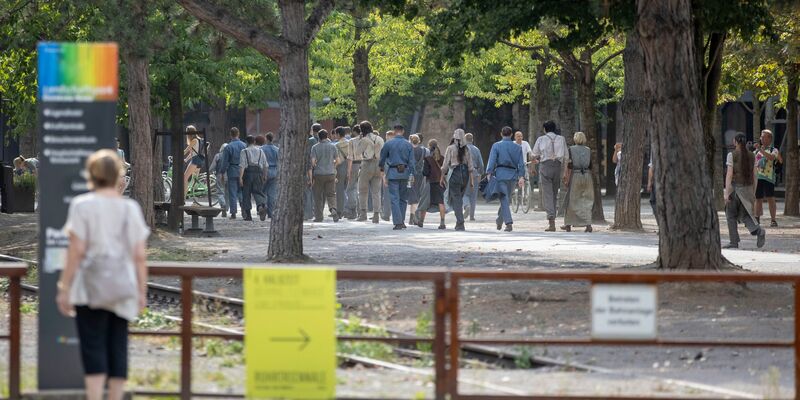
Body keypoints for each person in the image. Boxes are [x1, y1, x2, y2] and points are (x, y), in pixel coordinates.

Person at [56, 149, 150, 400]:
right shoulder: (130, 208)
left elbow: (75, 251)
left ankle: (95, 396)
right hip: (122, 286)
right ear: (118, 175)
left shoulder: (82, 205)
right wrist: (141, 291)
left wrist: (64, 288)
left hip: (89, 287)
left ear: (92, 175)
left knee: (92, 345)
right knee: (118, 345)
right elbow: (139, 255)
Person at [724, 133, 766, 249]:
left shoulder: (731, 155)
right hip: (748, 189)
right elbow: (755, 175)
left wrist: (727, 192)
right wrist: (753, 191)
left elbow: (729, 174)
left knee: (730, 214)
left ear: (735, 141)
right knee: (745, 215)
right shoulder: (752, 155)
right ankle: (759, 231)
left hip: (735, 189)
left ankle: (734, 241)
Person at [486, 126, 526, 232]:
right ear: (511, 134)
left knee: (504, 199)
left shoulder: (496, 145)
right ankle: (500, 221)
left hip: (500, 174)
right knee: (506, 199)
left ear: (501, 134)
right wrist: (521, 176)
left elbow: (492, 160)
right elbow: (521, 164)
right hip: (513, 175)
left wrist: (489, 172)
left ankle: (508, 223)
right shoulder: (518, 147)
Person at [532, 120, 569, 232]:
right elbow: (566, 157)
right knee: (554, 193)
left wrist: (533, 167)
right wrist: (565, 172)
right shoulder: (561, 139)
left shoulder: (541, 139)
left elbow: (534, 155)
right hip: (557, 166)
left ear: (545, 129)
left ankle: (551, 220)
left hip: (545, 166)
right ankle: (552, 217)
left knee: (547, 194)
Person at [379, 125, 415, 230]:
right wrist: (412, 174)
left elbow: (382, 159)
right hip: (405, 172)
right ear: (403, 131)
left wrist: (382, 170)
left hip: (393, 172)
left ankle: (398, 222)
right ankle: (402, 221)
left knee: (394, 198)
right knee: (403, 198)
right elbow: (412, 162)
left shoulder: (388, 144)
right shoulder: (408, 145)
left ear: (394, 132)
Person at [441, 129, 474, 231]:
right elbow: (470, 166)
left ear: (454, 137)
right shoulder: (467, 149)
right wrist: (472, 181)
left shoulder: (450, 148)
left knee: (456, 199)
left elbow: (445, 164)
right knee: (459, 197)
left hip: (454, 173)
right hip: (465, 175)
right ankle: (459, 221)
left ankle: (460, 222)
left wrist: (442, 177)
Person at [562, 132, 594, 232]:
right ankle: (588, 225)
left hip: (575, 175)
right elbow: (591, 165)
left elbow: (569, 165)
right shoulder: (588, 150)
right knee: (587, 200)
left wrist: (566, 178)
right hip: (587, 176)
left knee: (572, 200)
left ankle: (568, 224)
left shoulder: (571, 149)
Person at [355, 121, 384, 223]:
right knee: (376, 192)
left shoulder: (364, 139)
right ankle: (376, 215)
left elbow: (357, 153)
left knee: (363, 190)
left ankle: (363, 214)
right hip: (378, 164)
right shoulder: (380, 138)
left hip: (367, 164)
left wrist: (360, 140)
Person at [753, 129, 782, 227]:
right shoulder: (756, 151)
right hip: (758, 177)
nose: (761, 138)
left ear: (769, 139)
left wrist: (760, 150)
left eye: (763, 137)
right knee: (758, 198)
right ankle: (756, 219)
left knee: (770, 198)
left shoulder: (774, 150)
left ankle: (773, 220)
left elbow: (771, 157)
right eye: (761, 136)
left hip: (769, 178)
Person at [310, 129, 340, 222]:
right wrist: (333, 166)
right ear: (327, 136)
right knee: (331, 194)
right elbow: (338, 160)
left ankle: (319, 217)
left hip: (319, 174)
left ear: (318, 137)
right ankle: (333, 209)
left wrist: (316, 166)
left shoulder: (315, 147)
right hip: (330, 173)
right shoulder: (333, 146)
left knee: (318, 196)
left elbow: (313, 162)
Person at [418, 139, 447, 229]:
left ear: (429, 146)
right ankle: (442, 223)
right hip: (441, 183)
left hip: (430, 183)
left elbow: (425, 173)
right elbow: (446, 171)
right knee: (441, 202)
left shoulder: (428, 159)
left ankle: (421, 221)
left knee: (425, 202)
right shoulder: (443, 158)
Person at [239, 136, 268, 221]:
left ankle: (248, 215)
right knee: (258, 192)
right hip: (258, 172)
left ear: (246, 142)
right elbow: (265, 165)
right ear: (254, 142)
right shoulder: (261, 151)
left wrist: (240, 178)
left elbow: (242, 166)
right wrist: (265, 175)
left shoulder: (244, 151)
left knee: (246, 194)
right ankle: (260, 206)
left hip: (247, 173)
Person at [220, 127, 246, 219]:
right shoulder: (244, 145)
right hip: (243, 170)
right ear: (238, 134)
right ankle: (244, 210)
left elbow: (224, 162)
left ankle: (233, 213)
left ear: (230, 135)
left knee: (232, 192)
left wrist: (222, 172)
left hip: (232, 170)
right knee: (242, 192)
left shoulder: (228, 147)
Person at [463, 133, 484, 221]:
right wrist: (480, 173)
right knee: (473, 195)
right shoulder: (476, 149)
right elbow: (481, 164)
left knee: (464, 193)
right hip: (474, 173)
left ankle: (466, 205)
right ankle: (472, 216)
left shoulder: (462, 149)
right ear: (472, 140)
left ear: (465, 140)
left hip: (464, 172)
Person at [182, 125, 205, 202]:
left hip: (195, 161)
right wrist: (186, 159)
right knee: (194, 180)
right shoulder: (199, 139)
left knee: (184, 178)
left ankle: (183, 198)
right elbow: (193, 152)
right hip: (200, 161)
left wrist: (177, 155)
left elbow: (186, 151)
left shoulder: (194, 140)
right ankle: (195, 200)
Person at [260, 132, 280, 219]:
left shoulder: (262, 149)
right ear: (273, 139)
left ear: (266, 138)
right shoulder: (277, 149)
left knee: (263, 191)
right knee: (272, 193)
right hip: (274, 171)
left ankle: (263, 206)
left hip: (264, 171)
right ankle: (270, 212)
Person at [408, 134, 426, 225]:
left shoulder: (408, 149)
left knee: (412, 193)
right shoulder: (423, 150)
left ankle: (412, 217)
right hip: (420, 174)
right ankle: (414, 216)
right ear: (419, 141)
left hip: (410, 175)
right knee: (417, 194)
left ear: (410, 140)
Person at [305, 123, 322, 220]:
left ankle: (309, 212)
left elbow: (309, 155)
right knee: (318, 192)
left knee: (310, 191)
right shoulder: (324, 140)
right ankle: (317, 211)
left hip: (312, 167)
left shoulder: (311, 140)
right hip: (321, 168)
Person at [345, 124, 362, 220]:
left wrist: (348, 170)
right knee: (362, 190)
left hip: (355, 164)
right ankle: (362, 211)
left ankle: (352, 211)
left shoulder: (352, 141)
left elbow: (350, 157)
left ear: (354, 132)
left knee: (350, 189)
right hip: (365, 164)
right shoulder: (367, 140)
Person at [333, 127, 349, 219]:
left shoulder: (336, 145)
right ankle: (351, 210)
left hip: (340, 167)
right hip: (350, 166)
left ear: (338, 134)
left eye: (335, 134)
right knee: (350, 189)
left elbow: (337, 160)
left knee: (339, 190)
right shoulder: (350, 143)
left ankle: (340, 211)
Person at [208, 143, 228, 217]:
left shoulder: (218, 155)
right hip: (229, 175)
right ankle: (226, 208)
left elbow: (213, 166)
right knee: (227, 193)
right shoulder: (230, 156)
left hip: (220, 175)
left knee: (220, 192)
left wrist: (209, 172)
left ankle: (223, 205)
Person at [381, 129, 396, 221]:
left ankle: (386, 214)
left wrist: (383, 175)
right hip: (398, 174)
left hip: (388, 173)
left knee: (387, 195)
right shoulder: (398, 146)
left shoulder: (385, 147)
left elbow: (383, 163)